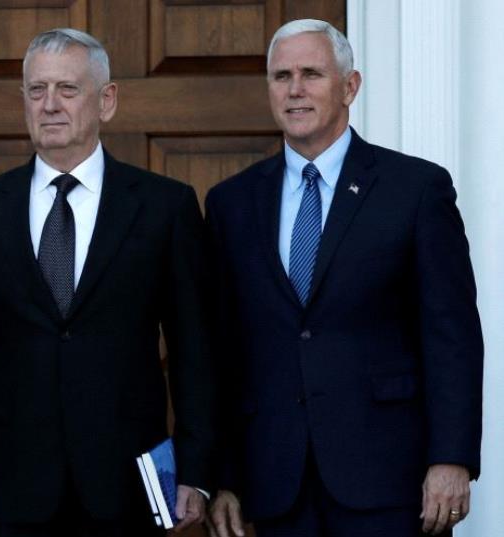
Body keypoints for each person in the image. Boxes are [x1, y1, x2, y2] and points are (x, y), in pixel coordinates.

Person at [205, 18, 483, 537]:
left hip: (389, 482)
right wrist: (225, 476)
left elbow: (452, 336)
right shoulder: (232, 203)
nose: (294, 90)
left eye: (311, 73)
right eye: (280, 76)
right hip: (273, 484)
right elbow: (223, 350)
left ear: (349, 86)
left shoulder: (415, 189)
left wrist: (452, 458)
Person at [0, 28, 215, 537]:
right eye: (37, 90)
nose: (50, 105)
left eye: (68, 89)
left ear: (106, 101)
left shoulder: (163, 207)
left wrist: (195, 469)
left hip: (125, 485)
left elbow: (194, 349)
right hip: (7, 489)